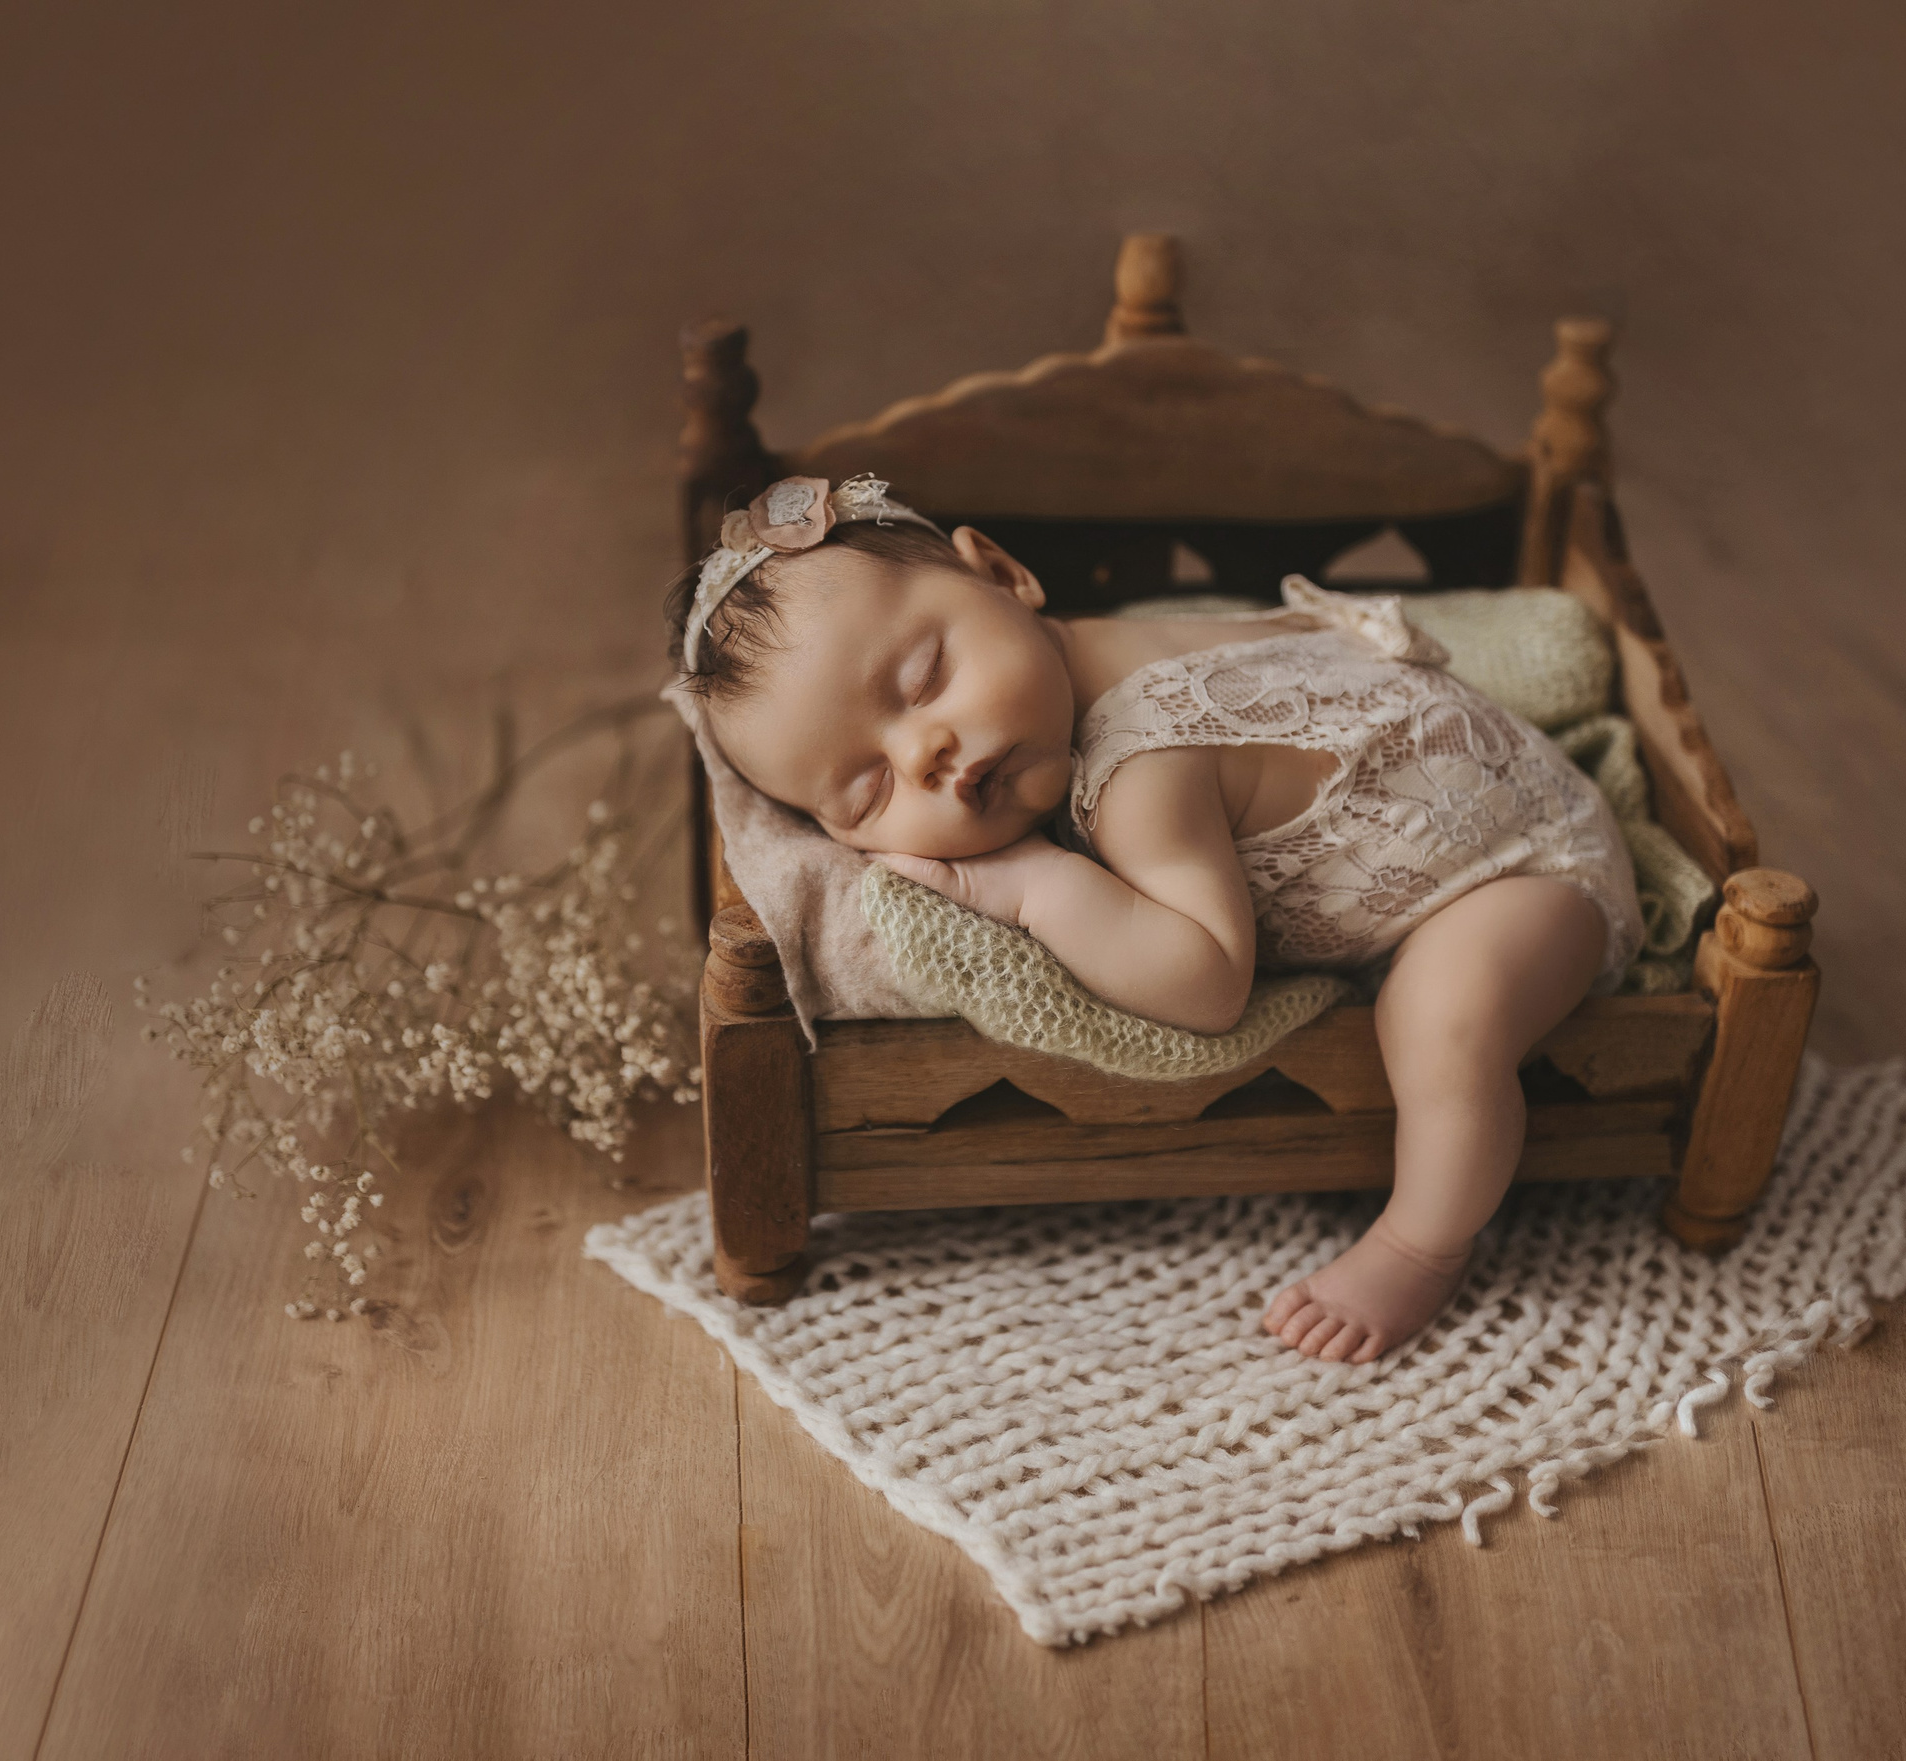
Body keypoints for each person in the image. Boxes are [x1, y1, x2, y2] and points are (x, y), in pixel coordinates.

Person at [667, 474, 1643, 1363]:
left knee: (1439, 1018)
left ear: (1001, 575)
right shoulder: (1081, 648)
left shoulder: (1139, 771)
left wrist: (1037, 886)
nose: (925, 752)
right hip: (1488, 782)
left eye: (923, 678)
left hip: (1523, 874)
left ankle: (1423, 1243)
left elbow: (1208, 981)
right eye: (868, 790)